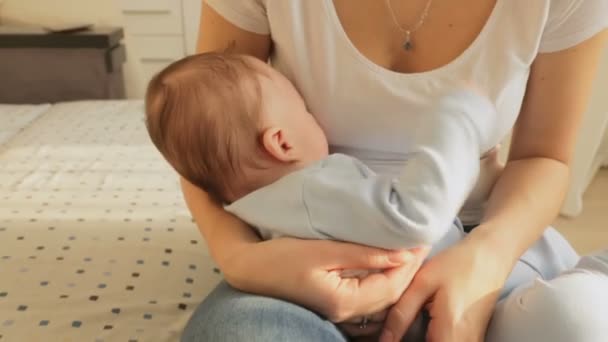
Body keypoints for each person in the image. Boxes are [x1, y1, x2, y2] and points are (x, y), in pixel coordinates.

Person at [178, 1, 608, 341]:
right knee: (242, 334)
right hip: (306, 265)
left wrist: (485, 262)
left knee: (580, 321)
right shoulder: (312, 194)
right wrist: (242, 259)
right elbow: (201, 139)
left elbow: (545, 157)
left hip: (483, 232)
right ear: (281, 141)